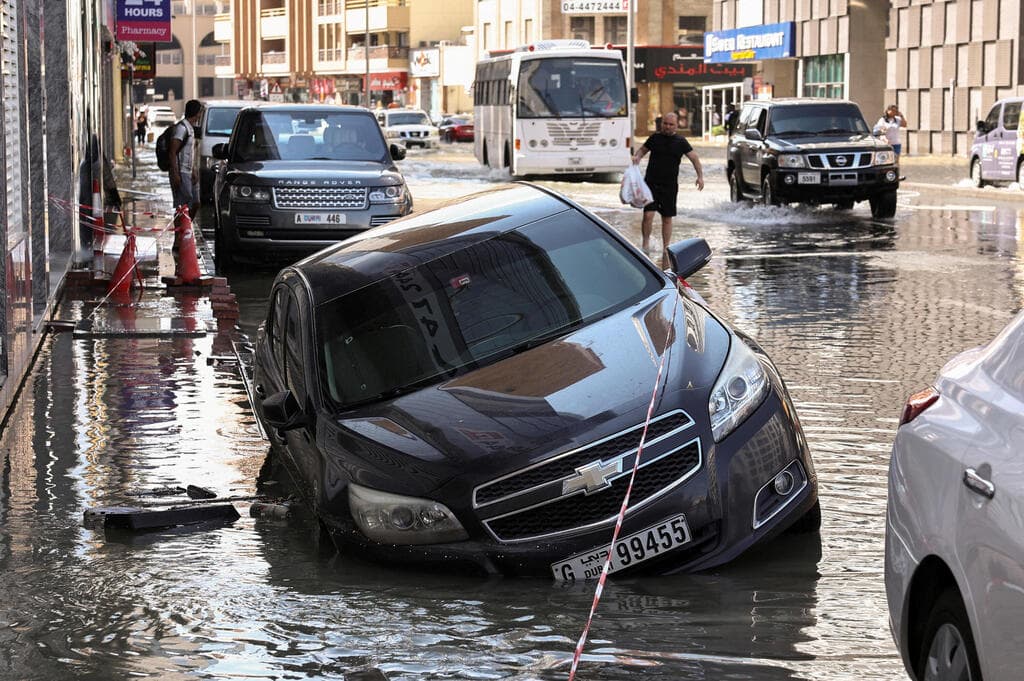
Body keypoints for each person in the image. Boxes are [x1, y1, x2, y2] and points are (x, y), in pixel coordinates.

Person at [632, 111, 704, 267]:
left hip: (669, 186)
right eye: (665, 123)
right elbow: (642, 151)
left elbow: (694, 158)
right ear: (662, 124)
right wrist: (637, 158)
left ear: (676, 126)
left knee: (667, 218)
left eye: (671, 124)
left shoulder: (681, 141)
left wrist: (700, 176)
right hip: (650, 183)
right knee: (648, 215)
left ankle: (666, 248)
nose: (667, 126)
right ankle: (645, 244)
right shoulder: (654, 138)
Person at [168, 99, 203, 217]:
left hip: (188, 171)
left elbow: (189, 153)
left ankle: (186, 225)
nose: (200, 115)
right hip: (181, 172)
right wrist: (175, 174)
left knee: (196, 203)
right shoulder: (181, 128)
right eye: (199, 112)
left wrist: (193, 170)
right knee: (183, 206)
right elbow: (172, 152)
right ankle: (180, 227)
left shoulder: (191, 128)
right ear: (195, 112)